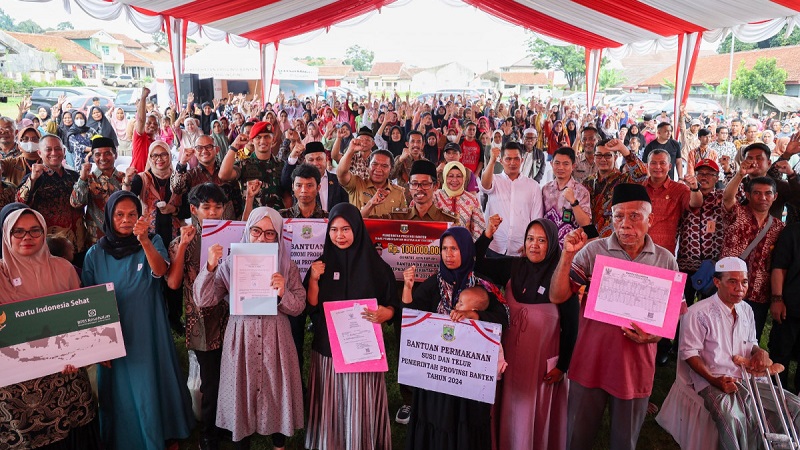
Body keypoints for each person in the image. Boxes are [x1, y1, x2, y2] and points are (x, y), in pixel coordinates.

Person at [550, 183, 679, 450]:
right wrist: (566, 256)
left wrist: (654, 335)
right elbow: (557, 296)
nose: (625, 224)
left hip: (635, 367)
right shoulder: (592, 251)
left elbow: (672, 316)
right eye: (618, 216)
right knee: (576, 438)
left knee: (624, 442)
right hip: (590, 361)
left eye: (635, 216)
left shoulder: (666, 260)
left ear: (650, 220)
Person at [82, 190, 194, 450]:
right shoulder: (94, 254)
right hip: (113, 334)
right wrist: (97, 346)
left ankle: (163, 433)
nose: (126, 219)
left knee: (151, 381)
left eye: (132, 214)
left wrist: (143, 240)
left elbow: (161, 271)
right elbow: (88, 300)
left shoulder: (152, 240)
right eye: (119, 214)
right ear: (109, 217)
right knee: (119, 388)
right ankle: (125, 438)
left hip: (147, 327)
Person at [194, 207, 305, 449]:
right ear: (248, 231)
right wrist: (210, 268)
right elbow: (204, 300)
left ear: (278, 236)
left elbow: (298, 307)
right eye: (256, 231)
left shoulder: (287, 266)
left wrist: (283, 292)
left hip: (276, 339)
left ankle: (279, 443)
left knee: (277, 389)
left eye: (269, 233)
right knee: (240, 391)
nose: (262, 238)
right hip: (241, 337)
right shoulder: (231, 264)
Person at [0, 207, 101, 450]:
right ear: (6, 235)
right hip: (17, 388)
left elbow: (79, 321)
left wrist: (79, 355)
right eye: (18, 231)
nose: (27, 237)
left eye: (35, 230)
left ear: (44, 232)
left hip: (65, 378)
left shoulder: (63, 269)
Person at [475, 216, 579, 450]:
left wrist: (563, 365)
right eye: (530, 238)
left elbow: (572, 326)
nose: (534, 245)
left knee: (533, 410)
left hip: (541, 365)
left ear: (552, 244)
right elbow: (476, 262)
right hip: (509, 361)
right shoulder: (514, 267)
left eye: (541, 240)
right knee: (510, 406)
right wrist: (488, 233)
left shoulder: (562, 277)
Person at [401, 227, 509, 450]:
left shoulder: (483, 285)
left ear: (467, 251)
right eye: (444, 249)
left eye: (455, 249)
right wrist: (408, 289)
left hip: (467, 375)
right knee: (436, 421)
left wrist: (473, 315)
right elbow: (410, 318)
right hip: (436, 376)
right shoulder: (433, 284)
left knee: (464, 426)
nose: (448, 254)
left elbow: (502, 319)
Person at [680, 257, 800, 450]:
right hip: (716, 378)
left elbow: (751, 342)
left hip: (748, 377)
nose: (740, 288)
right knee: (734, 419)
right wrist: (714, 380)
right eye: (732, 282)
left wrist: (760, 351)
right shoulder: (697, 313)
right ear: (717, 282)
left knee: (794, 407)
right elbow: (689, 353)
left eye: (744, 282)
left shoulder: (747, 310)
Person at [305, 203, 396, 450]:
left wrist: (385, 313)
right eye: (334, 230)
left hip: (363, 353)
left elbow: (392, 305)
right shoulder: (320, 265)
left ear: (357, 228)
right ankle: (329, 442)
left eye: (346, 229)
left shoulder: (377, 267)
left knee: (359, 401)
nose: (340, 236)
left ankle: (360, 441)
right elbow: (311, 305)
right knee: (331, 403)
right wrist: (313, 279)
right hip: (328, 351)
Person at [165, 183, 229, 450]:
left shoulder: (232, 235)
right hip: (201, 320)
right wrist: (182, 247)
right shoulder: (182, 241)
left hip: (231, 316)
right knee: (211, 380)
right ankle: (209, 432)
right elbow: (173, 283)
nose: (212, 212)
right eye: (206, 207)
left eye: (217, 207)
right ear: (194, 210)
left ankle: (229, 422)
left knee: (230, 373)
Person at [722, 159, 784, 340]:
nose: (763, 198)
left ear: (775, 196)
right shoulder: (736, 214)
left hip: (758, 292)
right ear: (748, 195)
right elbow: (727, 198)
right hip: (729, 287)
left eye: (768, 194)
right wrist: (740, 174)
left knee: (750, 338)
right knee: (722, 335)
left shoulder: (778, 227)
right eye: (757, 193)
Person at [17, 134, 86, 256]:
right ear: (39, 153)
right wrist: (32, 180)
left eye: (58, 149)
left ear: (64, 151)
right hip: (50, 245)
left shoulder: (75, 176)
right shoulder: (33, 178)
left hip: (78, 242)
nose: (54, 153)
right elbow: (20, 204)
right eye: (48, 149)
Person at [480, 141, 544, 256]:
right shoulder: (494, 180)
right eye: (508, 159)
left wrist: (529, 245)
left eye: (516, 159)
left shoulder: (533, 186)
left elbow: (537, 219)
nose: (512, 163)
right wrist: (492, 161)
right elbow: (484, 186)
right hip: (494, 246)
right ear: (501, 160)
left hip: (520, 249)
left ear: (522, 160)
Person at [582, 138, 648, 238]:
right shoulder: (587, 182)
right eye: (599, 155)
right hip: (590, 240)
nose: (603, 159)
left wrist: (623, 149)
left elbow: (641, 174)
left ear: (616, 157)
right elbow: (584, 214)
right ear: (594, 157)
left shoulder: (624, 180)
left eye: (608, 155)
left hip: (616, 240)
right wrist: (590, 239)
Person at [220, 121, 287, 211]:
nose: (263, 141)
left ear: (273, 139)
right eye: (258, 137)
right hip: (251, 219)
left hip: (276, 218)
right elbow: (223, 175)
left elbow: (287, 195)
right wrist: (234, 145)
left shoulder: (282, 165)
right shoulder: (244, 164)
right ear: (251, 140)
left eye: (267, 137)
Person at [172, 134, 240, 221]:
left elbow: (237, 201)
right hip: (200, 230)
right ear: (195, 152)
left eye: (209, 147)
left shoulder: (227, 172)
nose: (204, 151)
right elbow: (176, 189)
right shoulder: (191, 175)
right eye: (199, 148)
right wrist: (182, 163)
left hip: (227, 227)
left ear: (217, 150)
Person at [542, 147, 591, 246]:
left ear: (573, 166)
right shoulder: (545, 189)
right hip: (548, 246)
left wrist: (573, 202)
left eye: (566, 164)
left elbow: (585, 224)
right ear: (551, 164)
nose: (561, 167)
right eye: (557, 163)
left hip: (571, 247)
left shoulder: (581, 191)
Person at [280, 141, 348, 213]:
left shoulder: (337, 180)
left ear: (326, 159)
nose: (315, 163)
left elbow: (345, 206)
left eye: (319, 159)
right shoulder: (300, 181)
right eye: (311, 160)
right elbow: (285, 183)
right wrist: (293, 158)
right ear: (305, 162)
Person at [433, 161, 486, 240]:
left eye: (459, 176)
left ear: (464, 178)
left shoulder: (472, 199)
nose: (454, 180)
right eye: (450, 176)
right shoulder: (435, 196)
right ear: (444, 177)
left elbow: (478, 228)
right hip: (438, 245)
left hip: (463, 245)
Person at [131, 87, 158, 172]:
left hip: (149, 178)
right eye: (149, 123)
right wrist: (143, 98)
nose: (152, 125)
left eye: (155, 124)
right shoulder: (140, 137)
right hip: (136, 176)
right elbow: (141, 120)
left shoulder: (155, 143)